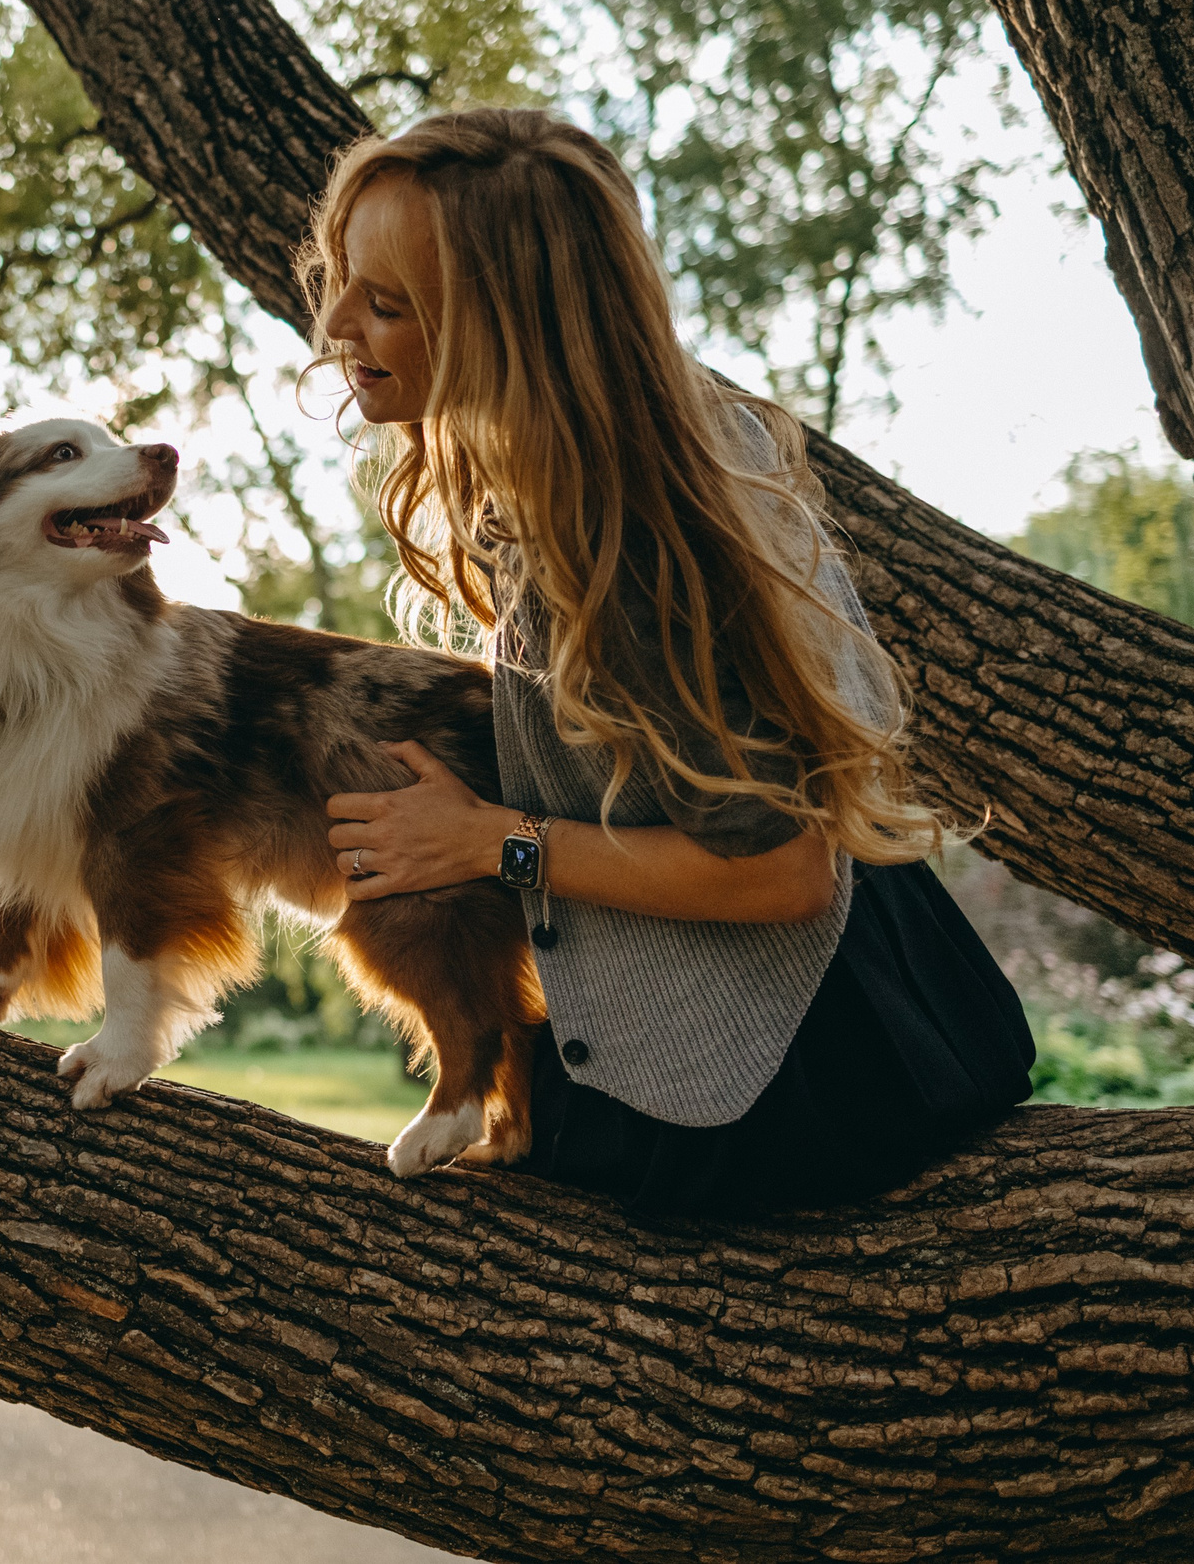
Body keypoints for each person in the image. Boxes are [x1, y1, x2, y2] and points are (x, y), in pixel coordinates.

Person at [308, 109, 1033, 1215]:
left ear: (505, 326)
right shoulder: (638, 439)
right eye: (342, 278)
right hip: (847, 994)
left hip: (781, 1077)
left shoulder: (621, 540)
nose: (332, 324)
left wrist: (486, 842)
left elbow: (779, 871)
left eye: (385, 303)